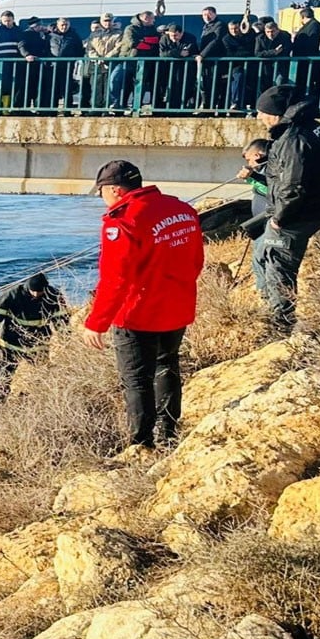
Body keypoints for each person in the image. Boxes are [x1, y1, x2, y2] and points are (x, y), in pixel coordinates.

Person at [81, 161, 204, 449]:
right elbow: (196, 260)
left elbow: (115, 279)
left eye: (102, 192)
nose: (101, 198)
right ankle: (169, 434)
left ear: (115, 189)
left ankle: (141, 443)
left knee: (136, 380)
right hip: (177, 305)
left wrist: (95, 323)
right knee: (167, 366)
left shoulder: (123, 221)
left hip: (138, 314)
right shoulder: (181, 210)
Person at [253, 85, 320, 332]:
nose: (259, 117)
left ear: (276, 112)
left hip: (295, 216)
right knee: (260, 254)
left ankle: (281, 325)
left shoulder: (294, 138)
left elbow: (293, 185)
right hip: (308, 209)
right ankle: (270, 311)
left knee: (277, 266)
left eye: (262, 112)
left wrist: (279, 219)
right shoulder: (310, 128)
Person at [0, 274, 67, 403]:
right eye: (33, 291)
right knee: (5, 372)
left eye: (39, 292)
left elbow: (61, 318)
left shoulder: (53, 295)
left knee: (41, 372)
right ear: (28, 288)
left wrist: (64, 336)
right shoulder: (13, 294)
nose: (35, 294)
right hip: (11, 342)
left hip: (39, 343)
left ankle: (32, 397)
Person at [237, 138, 274, 291]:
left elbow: (273, 191)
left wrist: (252, 177)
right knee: (258, 259)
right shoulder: (261, 171)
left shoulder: (272, 168)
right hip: (260, 226)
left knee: (261, 259)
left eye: (249, 159)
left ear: (257, 155)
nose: (249, 163)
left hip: (270, 224)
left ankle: (267, 297)